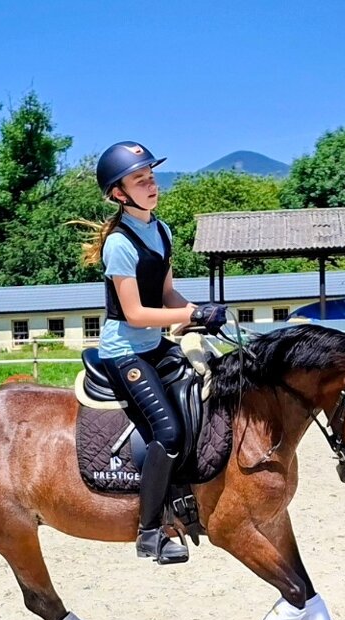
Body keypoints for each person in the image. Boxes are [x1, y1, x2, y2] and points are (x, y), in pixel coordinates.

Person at [78, 141, 227, 565]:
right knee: (168, 433)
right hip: (125, 351)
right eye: (140, 179)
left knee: (207, 392)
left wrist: (198, 313)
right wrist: (189, 312)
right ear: (119, 194)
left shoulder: (161, 231)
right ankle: (149, 533)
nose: (151, 184)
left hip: (156, 343)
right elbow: (136, 312)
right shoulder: (119, 245)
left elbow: (165, 293)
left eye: (152, 177)